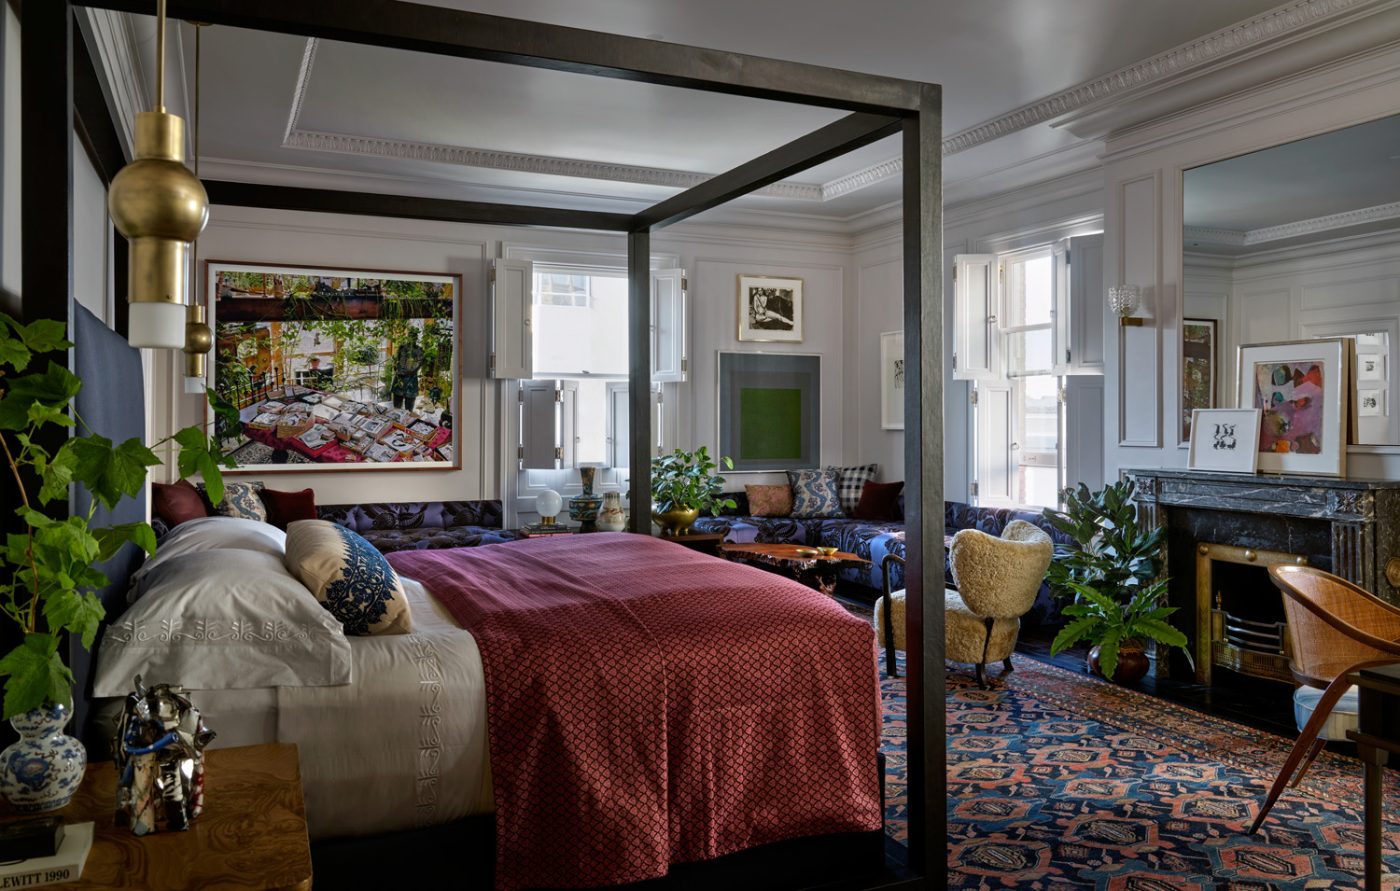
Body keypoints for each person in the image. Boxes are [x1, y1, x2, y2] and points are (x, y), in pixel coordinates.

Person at [390, 327, 425, 410]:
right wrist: (396, 367)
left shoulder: (419, 350)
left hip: (411, 382)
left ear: (416, 338)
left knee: (409, 410)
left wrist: (405, 371)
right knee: (396, 408)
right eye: (410, 336)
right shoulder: (402, 348)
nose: (411, 338)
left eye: (413, 336)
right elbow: (397, 361)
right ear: (407, 337)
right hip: (399, 381)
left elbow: (417, 365)